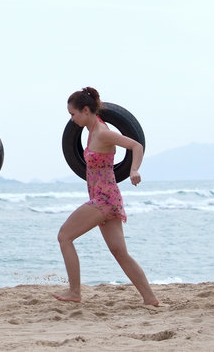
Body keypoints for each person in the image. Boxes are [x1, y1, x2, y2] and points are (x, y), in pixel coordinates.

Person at [53, 87, 158, 306]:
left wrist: (134, 170)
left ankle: (74, 291)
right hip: (106, 198)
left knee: (64, 236)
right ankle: (150, 298)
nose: (72, 120)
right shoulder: (92, 131)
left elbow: (136, 146)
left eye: (73, 114)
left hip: (104, 198)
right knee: (119, 252)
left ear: (85, 110)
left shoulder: (102, 132)